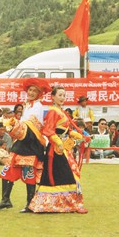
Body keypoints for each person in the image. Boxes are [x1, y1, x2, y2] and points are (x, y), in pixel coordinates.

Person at [0, 79, 48, 212]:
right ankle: (5, 199)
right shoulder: (27, 105)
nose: (31, 93)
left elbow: (32, 125)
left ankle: (30, 203)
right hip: (22, 142)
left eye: (35, 91)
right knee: (8, 169)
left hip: (32, 142)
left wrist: (16, 125)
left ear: (39, 94)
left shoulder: (38, 106)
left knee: (29, 173)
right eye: (30, 90)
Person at [28, 86, 86, 214]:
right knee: (65, 174)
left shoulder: (61, 111)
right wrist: (59, 142)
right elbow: (48, 130)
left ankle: (70, 202)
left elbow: (66, 130)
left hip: (64, 147)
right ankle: (62, 203)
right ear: (53, 97)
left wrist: (79, 136)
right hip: (56, 149)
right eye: (60, 95)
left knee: (72, 171)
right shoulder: (53, 112)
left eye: (64, 95)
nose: (62, 98)